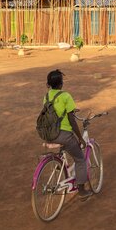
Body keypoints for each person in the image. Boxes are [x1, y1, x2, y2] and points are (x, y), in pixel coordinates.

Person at [43, 69, 93, 200]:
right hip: (63, 135)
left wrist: (69, 109)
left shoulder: (47, 96)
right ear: (60, 84)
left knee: (65, 147)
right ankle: (82, 191)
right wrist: (80, 138)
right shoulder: (66, 96)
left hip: (48, 133)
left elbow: (55, 110)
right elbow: (71, 120)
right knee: (80, 159)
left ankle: (61, 165)